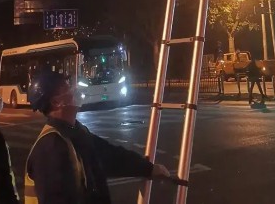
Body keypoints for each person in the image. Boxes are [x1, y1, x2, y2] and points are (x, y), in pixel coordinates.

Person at [25, 71, 170, 204]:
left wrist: (148, 168)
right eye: (67, 88)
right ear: (56, 102)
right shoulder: (50, 147)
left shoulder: (76, 131)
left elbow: (111, 157)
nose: (74, 89)